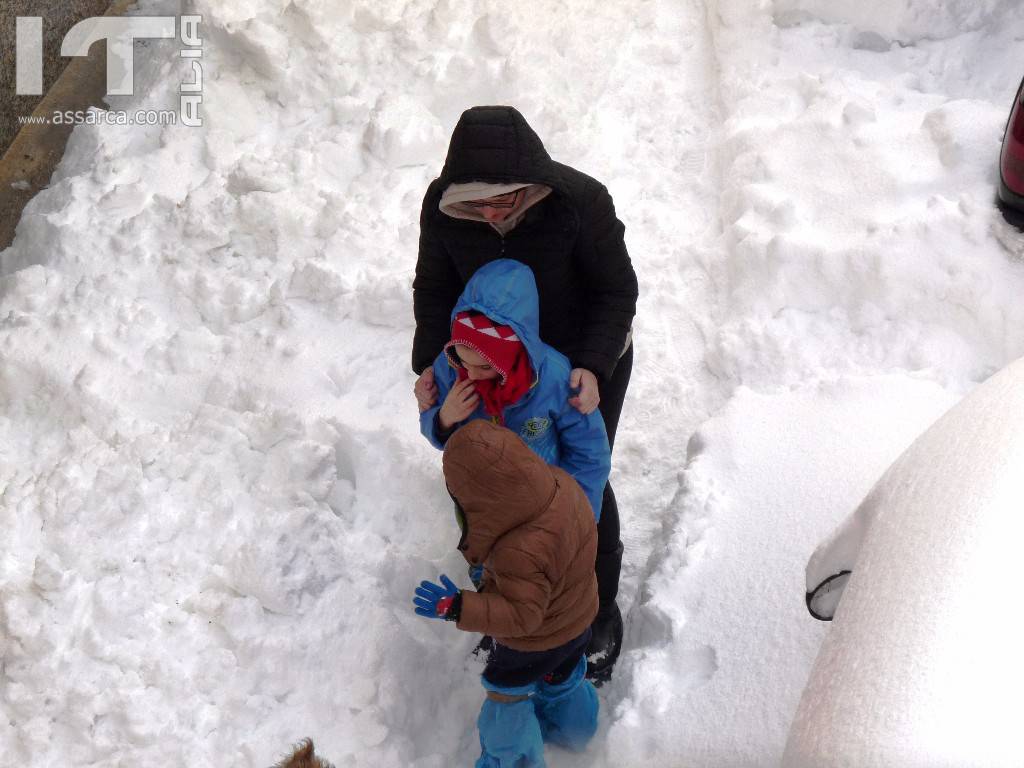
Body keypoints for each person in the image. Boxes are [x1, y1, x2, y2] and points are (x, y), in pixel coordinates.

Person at [411, 104, 638, 682]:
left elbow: (616, 291)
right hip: (485, 357)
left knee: (580, 474)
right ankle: (515, 601)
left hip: (577, 361)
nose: (490, 215)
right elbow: (435, 288)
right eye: (477, 204)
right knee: (497, 478)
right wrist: (430, 368)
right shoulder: (443, 209)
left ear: (532, 184)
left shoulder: (581, 202)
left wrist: (590, 365)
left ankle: (593, 603)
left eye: (504, 201)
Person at [412, 419, 600, 768]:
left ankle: (513, 760)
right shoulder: (565, 486)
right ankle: (576, 730)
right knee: (564, 680)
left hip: (535, 644)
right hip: (578, 620)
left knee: (506, 698)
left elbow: (522, 616)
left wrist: (459, 607)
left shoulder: (518, 550)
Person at [419, 258, 610, 520]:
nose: (472, 374)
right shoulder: (450, 369)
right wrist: (444, 418)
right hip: (480, 499)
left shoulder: (554, 378)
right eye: (463, 361)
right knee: (488, 558)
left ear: (514, 353)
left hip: (546, 501)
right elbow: (436, 426)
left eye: (485, 367)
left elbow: (589, 452)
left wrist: (575, 512)